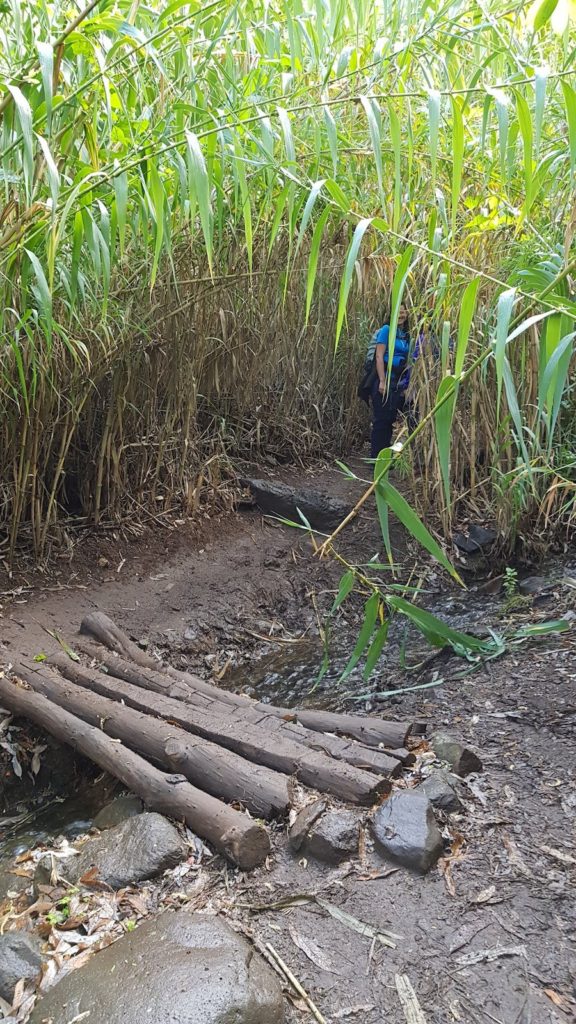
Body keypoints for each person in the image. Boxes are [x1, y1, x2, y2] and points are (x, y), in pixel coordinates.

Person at [364, 304, 412, 457]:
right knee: (381, 421)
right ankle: (376, 458)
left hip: (398, 383)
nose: (401, 315)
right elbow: (379, 356)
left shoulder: (406, 335)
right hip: (383, 380)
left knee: (390, 419)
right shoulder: (386, 330)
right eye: (398, 311)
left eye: (403, 312)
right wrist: (382, 381)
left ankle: (385, 457)